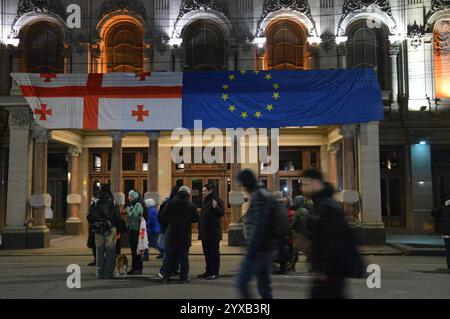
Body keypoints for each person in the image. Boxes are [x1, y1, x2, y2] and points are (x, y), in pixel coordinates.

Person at [301, 169, 364, 299]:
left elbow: (332, 241)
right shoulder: (322, 204)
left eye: (305, 184)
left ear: (314, 182)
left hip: (330, 271)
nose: (302, 188)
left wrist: (322, 268)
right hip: (331, 270)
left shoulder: (326, 207)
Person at [236, 169, 276, 299]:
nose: (241, 187)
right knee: (264, 286)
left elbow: (259, 224)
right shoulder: (262, 193)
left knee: (242, 282)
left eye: (241, 184)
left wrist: (251, 248)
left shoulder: (259, 196)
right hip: (266, 247)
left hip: (259, 249)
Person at [160, 186, 199, 284]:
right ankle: (183, 278)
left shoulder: (170, 203)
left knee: (169, 255)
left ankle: (166, 277)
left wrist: (166, 227)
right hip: (184, 233)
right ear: (188, 194)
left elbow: (163, 217)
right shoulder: (191, 205)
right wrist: (187, 219)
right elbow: (196, 218)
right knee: (184, 256)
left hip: (171, 232)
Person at [87, 184, 121, 279]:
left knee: (99, 251)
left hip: (98, 229)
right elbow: (117, 217)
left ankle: (99, 272)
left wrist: (97, 223)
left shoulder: (95, 202)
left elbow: (89, 216)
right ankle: (108, 273)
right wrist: (117, 228)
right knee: (110, 251)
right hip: (110, 228)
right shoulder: (113, 202)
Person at [198, 183, 225, 280]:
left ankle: (214, 272)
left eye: (205, 191)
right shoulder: (205, 201)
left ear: (210, 191)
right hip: (205, 232)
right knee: (207, 252)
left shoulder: (217, 201)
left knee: (214, 253)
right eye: (203, 191)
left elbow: (221, 213)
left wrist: (215, 207)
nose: (203, 192)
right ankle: (208, 271)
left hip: (213, 232)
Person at [158, 185, 181, 278]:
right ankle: (173, 268)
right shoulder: (180, 203)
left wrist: (164, 226)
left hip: (167, 229)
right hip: (176, 230)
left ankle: (166, 270)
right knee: (175, 251)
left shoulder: (167, 202)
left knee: (168, 251)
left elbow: (161, 216)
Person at [126, 190, 144, 275]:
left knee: (136, 251)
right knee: (133, 250)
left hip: (136, 231)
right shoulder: (133, 205)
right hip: (132, 230)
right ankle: (134, 268)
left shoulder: (138, 204)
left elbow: (133, 215)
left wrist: (128, 209)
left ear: (134, 197)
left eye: (130, 196)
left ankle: (138, 268)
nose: (128, 197)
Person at [433, 194, 450, 272]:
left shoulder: (443, 208)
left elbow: (434, 213)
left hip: (446, 234)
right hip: (446, 233)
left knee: (448, 251)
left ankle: (449, 266)